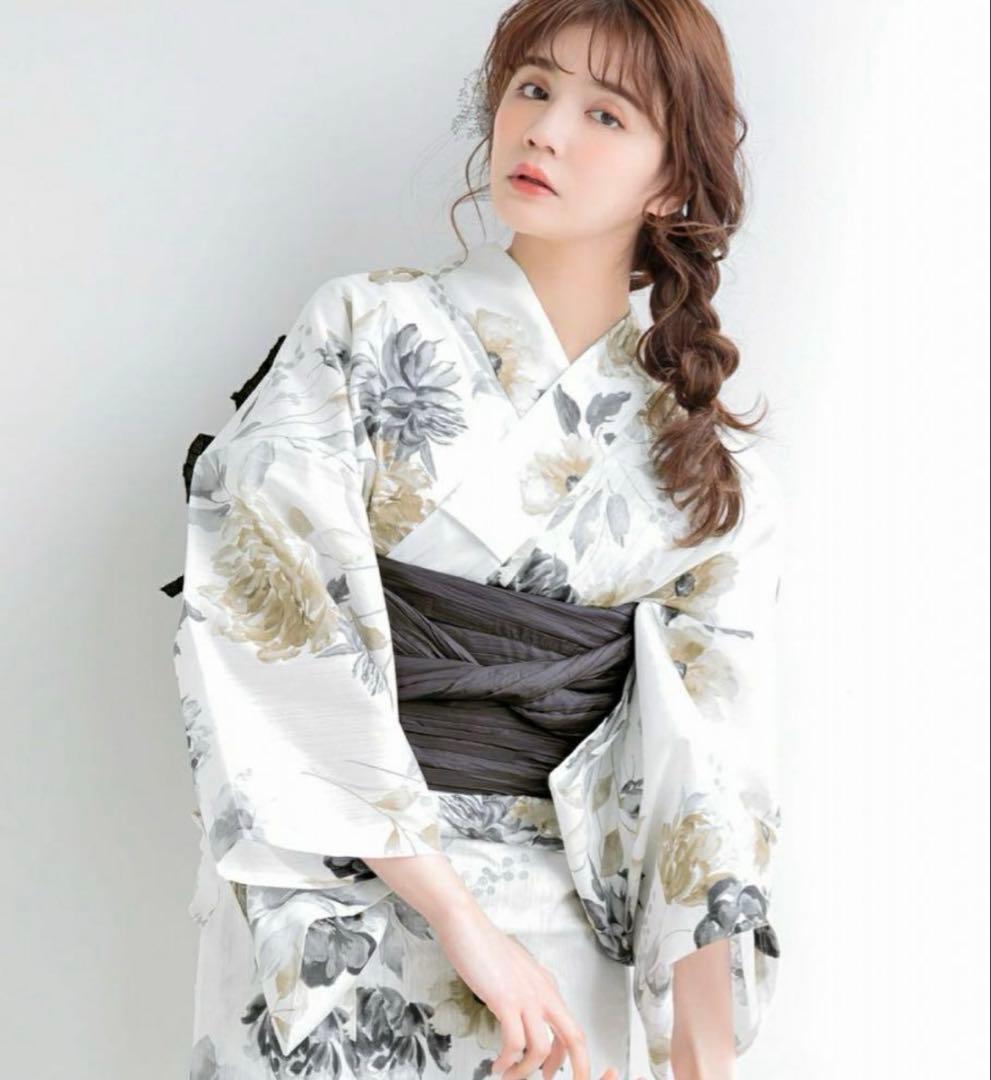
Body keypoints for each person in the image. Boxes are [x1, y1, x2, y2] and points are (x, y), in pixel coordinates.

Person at [167, 2, 784, 1077]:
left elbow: (708, 779)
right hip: (330, 907)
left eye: (605, 114)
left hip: (561, 942)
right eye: (533, 89)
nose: (544, 129)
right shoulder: (363, 331)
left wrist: (703, 1060)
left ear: (671, 181)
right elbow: (270, 627)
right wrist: (457, 919)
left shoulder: (705, 473)